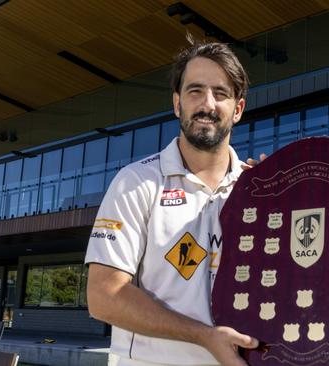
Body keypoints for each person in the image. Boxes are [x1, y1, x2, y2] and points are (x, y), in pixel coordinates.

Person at [85, 37, 258, 366]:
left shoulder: (257, 191)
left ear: (237, 109)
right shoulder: (136, 182)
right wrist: (204, 336)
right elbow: (103, 296)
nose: (207, 104)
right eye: (195, 91)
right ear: (178, 103)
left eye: (220, 93)